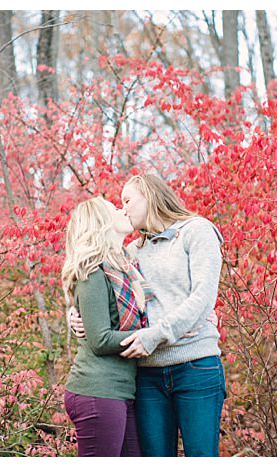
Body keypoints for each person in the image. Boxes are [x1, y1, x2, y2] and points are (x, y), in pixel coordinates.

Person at [69, 174, 226, 457]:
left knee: (202, 456)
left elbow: (203, 298)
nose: (124, 208)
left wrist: (157, 335)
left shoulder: (196, 231)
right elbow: (91, 283)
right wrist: (73, 314)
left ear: (150, 196)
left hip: (195, 365)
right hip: (147, 374)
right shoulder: (130, 252)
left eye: (128, 200)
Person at [61, 196, 153, 457]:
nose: (123, 209)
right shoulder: (92, 272)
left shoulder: (124, 267)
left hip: (121, 391)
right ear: (101, 223)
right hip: (97, 391)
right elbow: (100, 340)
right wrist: (153, 336)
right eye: (114, 209)